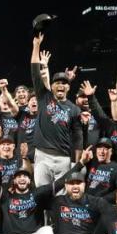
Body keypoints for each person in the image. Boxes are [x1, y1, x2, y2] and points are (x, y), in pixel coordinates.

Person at [29, 33, 83, 187]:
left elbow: (78, 138)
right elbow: (34, 70)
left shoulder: (74, 109)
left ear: (69, 87)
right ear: (51, 86)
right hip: (43, 156)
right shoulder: (44, 97)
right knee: (42, 194)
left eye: (64, 83)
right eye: (57, 82)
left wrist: (76, 162)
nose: (61, 85)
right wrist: (36, 45)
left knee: (60, 197)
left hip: (63, 158)